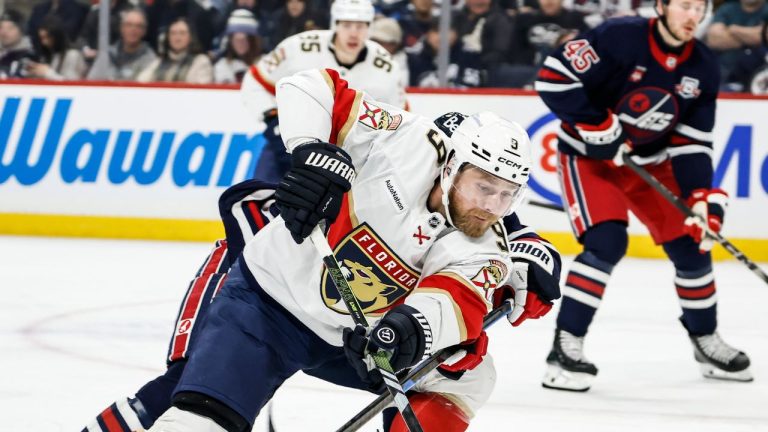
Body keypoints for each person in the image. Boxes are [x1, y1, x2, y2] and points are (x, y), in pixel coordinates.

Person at [83, 69, 562, 432]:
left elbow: (453, 300)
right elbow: (312, 85)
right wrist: (311, 149)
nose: (492, 206)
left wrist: (404, 331)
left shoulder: (488, 245)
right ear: (452, 165)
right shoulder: (403, 139)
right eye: (484, 187)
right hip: (271, 303)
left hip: (355, 339)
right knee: (196, 417)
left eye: (507, 194)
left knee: (469, 376)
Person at [534, 0, 754, 392]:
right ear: (661, 6)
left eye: (699, 8)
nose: (693, 16)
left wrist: (700, 196)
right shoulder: (618, 36)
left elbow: (692, 143)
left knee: (692, 245)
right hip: (590, 159)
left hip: (649, 164)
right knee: (606, 242)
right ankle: (565, 348)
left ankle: (705, 340)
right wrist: (595, 123)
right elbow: (553, 78)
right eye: (684, 5)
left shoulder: (703, 66)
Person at [241, 0, 407, 183]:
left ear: (369, 28)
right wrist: (273, 118)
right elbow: (255, 80)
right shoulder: (300, 46)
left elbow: (400, 116)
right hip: (291, 141)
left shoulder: (386, 67)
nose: (353, 33)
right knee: (260, 197)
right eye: (346, 25)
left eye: (360, 26)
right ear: (335, 25)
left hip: (348, 157)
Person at [87, 7, 158, 81]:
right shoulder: (107, 55)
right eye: (129, 25)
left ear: (144, 31)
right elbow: (91, 82)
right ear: (122, 28)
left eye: (138, 26)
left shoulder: (151, 60)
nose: (133, 29)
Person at [137, 17, 214, 84]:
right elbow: (141, 82)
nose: (177, 37)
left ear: (191, 37)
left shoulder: (201, 61)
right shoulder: (159, 62)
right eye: (173, 33)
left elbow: (202, 90)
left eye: (182, 33)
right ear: (168, 37)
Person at [24, 15, 87, 81]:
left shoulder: (73, 55)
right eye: (42, 38)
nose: (44, 42)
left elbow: (72, 85)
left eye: (47, 37)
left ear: (57, 35)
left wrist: (47, 73)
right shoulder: (49, 55)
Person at [213, 9, 262, 83]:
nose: (240, 44)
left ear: (253, 41)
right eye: (236, 40)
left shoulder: (265, 62)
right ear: (230, 41)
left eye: (244, 40)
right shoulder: (222, 65)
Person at [0, 9, 35, 79]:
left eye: (10, 28)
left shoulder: (29, 57)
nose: (4, 32)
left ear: (21, 31)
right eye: (1, 27)